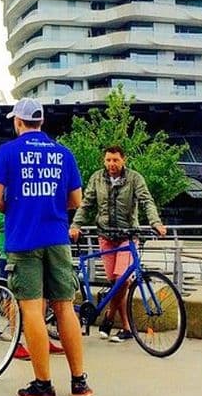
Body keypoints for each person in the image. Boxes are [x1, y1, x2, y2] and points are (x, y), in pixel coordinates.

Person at [0, 98, 92, 396]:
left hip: (23, 240)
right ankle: (79, 383)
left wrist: (18, 208)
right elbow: (75, 199)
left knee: (32, 310)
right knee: (64, 307)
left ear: (18, 122)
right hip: (57, 238)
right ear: (40, 122)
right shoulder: (63, 153)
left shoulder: (7, 152)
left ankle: (43, 386)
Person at [69, 145, 167, 343]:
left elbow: (147, 200)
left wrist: (155, 222)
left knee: (122, 279)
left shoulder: (134, 178)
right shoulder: (97, 178)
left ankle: (108, 318)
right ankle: (126, 328)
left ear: (124, 160)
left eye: (115, 160)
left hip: (127, 236)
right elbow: (87, 203)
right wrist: (76, 225)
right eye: (108, 160)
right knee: (116, 283)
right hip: (105, 236)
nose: (111, 164)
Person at [0, 211, 65, 360]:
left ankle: (42, 339)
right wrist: (27, 221)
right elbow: (1, 224)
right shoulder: (7, 193)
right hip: (10, 252)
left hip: (35, 250)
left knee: (41, 297)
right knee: (12, 299)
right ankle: (16, 343)